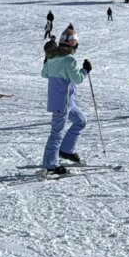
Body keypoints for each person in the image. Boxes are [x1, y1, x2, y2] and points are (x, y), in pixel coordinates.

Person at [40, 29, 90, 175]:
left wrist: (47, 61)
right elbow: (78, 79)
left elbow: (44, 74)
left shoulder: (52, 58)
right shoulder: (69, 60)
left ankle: (67, 150)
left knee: (81, 120)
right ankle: (50, 164)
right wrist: (85, 70)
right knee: (57, 133)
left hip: (68, 102)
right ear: (73, 47)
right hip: (62, 103)